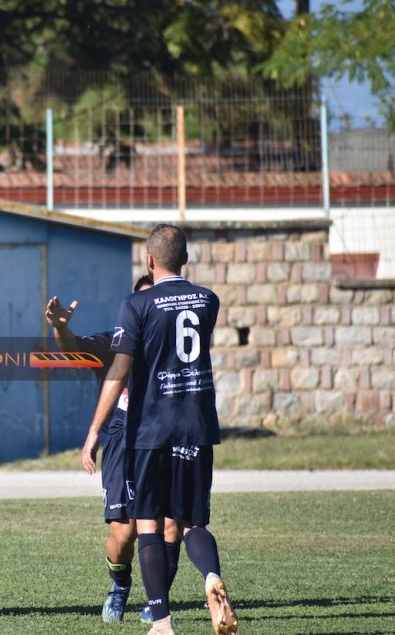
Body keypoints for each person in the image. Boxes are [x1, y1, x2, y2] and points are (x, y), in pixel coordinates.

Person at [82, 224, 238, 635]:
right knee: (191, 524)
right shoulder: (209, 300)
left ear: (149, 262)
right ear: (185, 258)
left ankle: (162, 622)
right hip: (198, 427)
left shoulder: (136, 304)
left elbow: (119, 370)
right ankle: (210, 577)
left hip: (152, 430)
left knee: (148, 521)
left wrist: (95, 429)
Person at [48, 273, 184, 625]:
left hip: (167, 440)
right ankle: (120, 585)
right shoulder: (115, 341)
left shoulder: (177, 347)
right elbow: (73, 348)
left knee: (170, 526)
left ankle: (157, 601)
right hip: (124, 445)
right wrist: (60, 328)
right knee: (124, 535)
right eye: (143, 303)